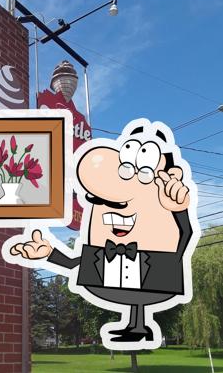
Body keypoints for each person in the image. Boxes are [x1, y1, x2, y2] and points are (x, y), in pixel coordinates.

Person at [11, 120, 195, 347]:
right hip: (119, 268)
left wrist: (179, 218)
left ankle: (138, 326)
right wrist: (49, 254)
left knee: (140, 292)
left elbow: (185, 231)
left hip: (156, 267)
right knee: (131, 293)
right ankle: (135, 326)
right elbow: (76, 264)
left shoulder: (166, 201)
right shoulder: (103, 253)